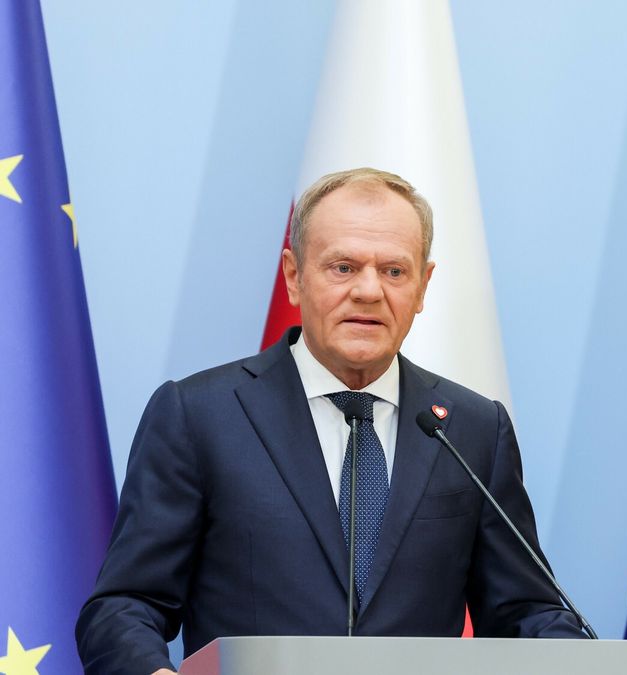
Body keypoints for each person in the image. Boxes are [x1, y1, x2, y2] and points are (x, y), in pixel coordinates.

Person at [77, 168, 583, 675]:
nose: (368, 291)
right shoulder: (199, 415)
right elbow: (125, 606)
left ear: (423, 286)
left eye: (394, 271)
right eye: (343, 267)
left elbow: (527, 613)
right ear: (294, 276)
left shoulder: (471, 427)